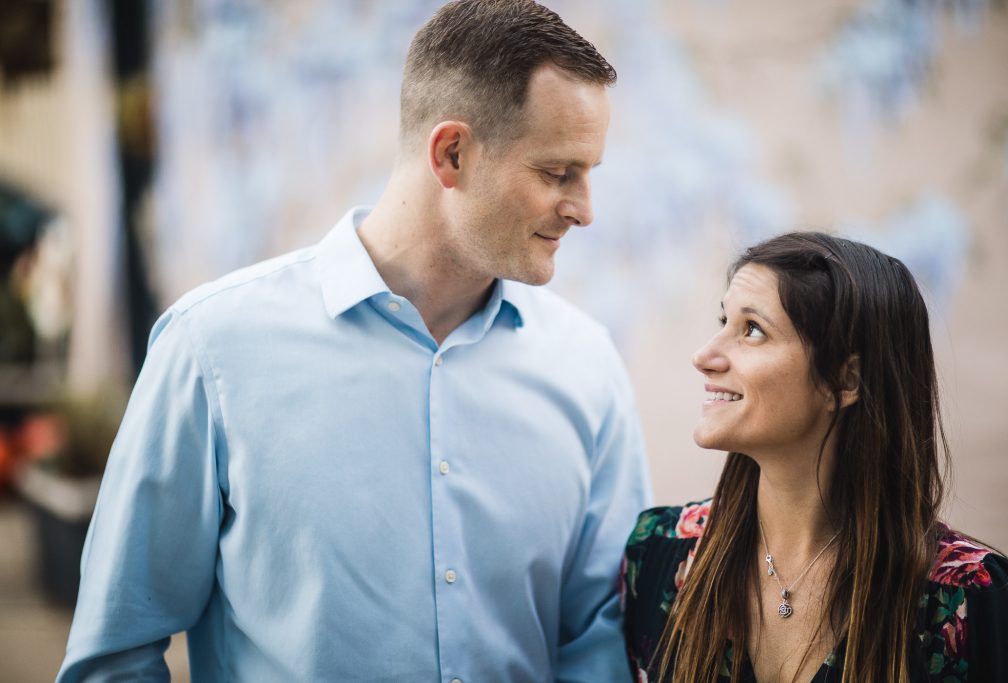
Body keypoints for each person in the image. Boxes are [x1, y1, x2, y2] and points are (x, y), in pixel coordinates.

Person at [58, 1, 652, 680]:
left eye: (589, 173)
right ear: (452, 152)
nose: (584, 208)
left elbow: (602, 642)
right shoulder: (213, 350)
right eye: (557, 172)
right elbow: (117, 653)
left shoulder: (588, 368)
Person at [621, 232, 1008, 682]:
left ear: (845, 379)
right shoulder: (658, 556)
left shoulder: (968, 597)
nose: (704, 355)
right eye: (723, 321)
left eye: (752, 330)